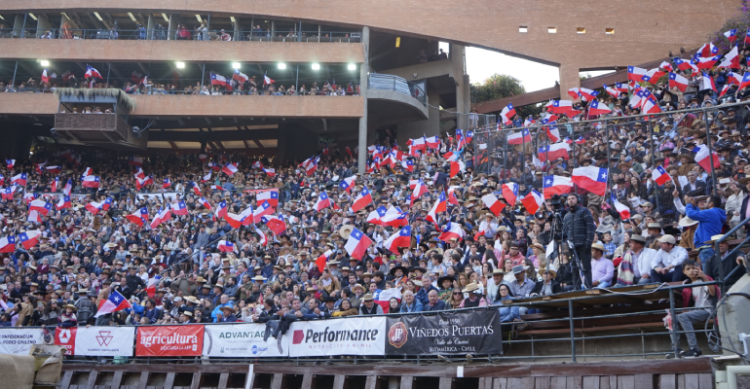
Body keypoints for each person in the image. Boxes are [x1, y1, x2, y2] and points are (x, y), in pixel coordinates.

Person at [667, 259, 716, 359]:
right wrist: (688, 309)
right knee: (671, 318)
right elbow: (691, 302)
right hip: (695, 311)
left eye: (694, 268)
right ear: (684, 272)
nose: (691, 271)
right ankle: (676, 349)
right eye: (688, 269)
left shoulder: (704, 280)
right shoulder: (687, 285)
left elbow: (713, 293)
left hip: (707, 310)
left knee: (683, 317)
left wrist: (704, 277)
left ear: (699, 269)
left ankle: (694, 349)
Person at [685, 195, 726, 274]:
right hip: (709, 247)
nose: (704, 203)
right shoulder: (715, 212)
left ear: (711, 204)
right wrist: (694, 206)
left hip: (707, 248)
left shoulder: (711, 212)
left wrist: (688, 204)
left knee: (708, 273)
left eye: (706, 201)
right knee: (712, 271)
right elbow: (699, 214)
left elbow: (691, 214)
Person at [562, 194, 596, 289]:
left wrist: (588, 243)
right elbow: (565, 232)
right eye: (569, 199)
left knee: (586, 268)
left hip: (584, 244)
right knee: (574, 269)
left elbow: (590, 228)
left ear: (578, 199)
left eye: (573, 198)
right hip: (572, 247)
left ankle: (589, 287)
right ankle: (576, 289)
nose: (571, 200)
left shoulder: (584, 211)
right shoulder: (566, 216)